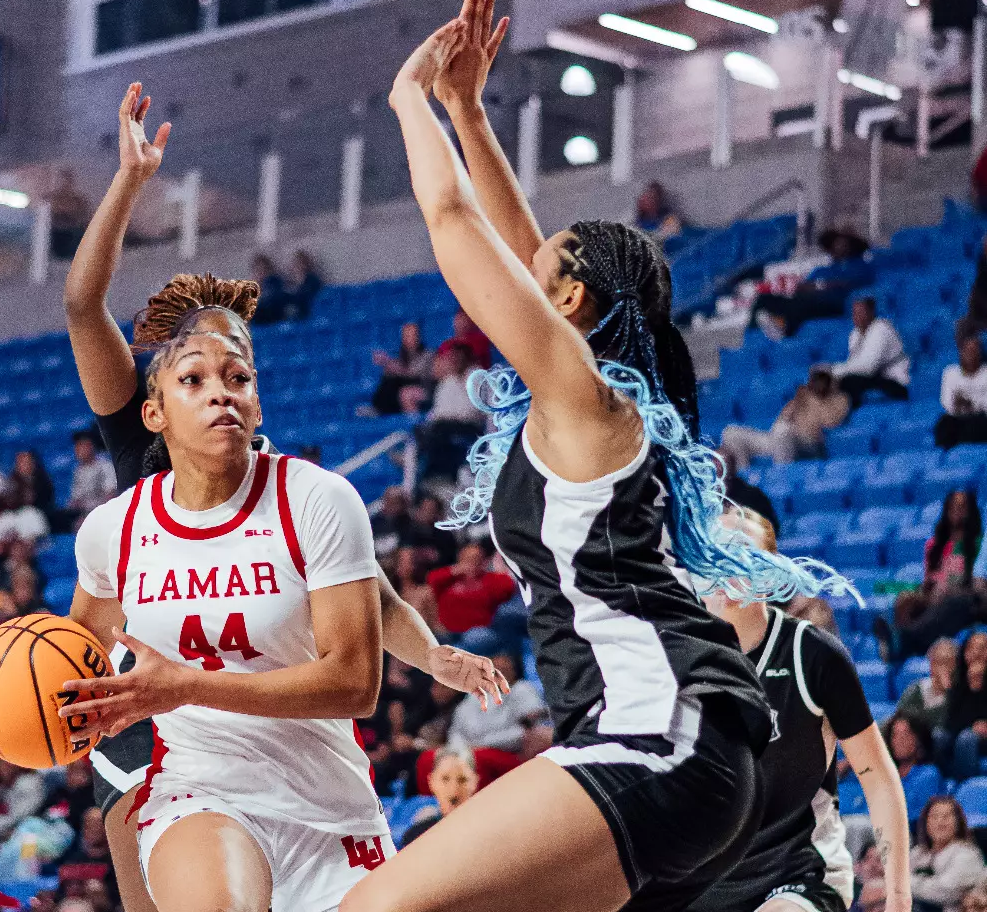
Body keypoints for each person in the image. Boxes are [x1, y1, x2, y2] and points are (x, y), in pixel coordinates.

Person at [343, 7, 854, 912]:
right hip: (663, 747)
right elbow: (512, 239)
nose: (521, 269)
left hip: (659, 733)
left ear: (569, 298)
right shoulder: (592, 401)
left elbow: (456, 218)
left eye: (543, 272)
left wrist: (405, 98)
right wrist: (467, 112)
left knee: (377, 908)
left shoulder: (588, 401)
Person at [47, 81, 507, 912]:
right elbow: (82, 304)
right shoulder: (134, 446)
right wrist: (129, 181)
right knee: (149, 843)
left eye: (239, 368)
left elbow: (366, 599)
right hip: (159, 707)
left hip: (305, 763)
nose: (220, 384)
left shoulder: (305, 497)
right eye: (196, 370)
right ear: (160, 394)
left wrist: (431, 652)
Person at [687, 508, 910, 912]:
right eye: (715, 553)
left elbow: (878, 779)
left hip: (799, 875)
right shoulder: (678, 661)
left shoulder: (813, 653)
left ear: (770, 573)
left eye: (742, 554)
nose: (726, 567)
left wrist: (899, 897)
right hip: (703, 884)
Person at [888, 490, 983, 662]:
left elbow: (978, 583)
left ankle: (906, 640)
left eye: (962, 506)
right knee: (905, 598)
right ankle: (898, 646)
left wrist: (950, 588)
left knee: (950, 600)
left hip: (964, 599)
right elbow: (929, 580)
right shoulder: (935, 545)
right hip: (935, 595)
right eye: (953, 506)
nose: (957, 510)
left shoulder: (978, 544)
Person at [753, 229, 875, 339]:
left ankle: (785, 331)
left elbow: (851, 283)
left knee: (801, 303)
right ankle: (753, 334)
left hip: (834, 303)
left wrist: (822, 286)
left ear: (852, 247)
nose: (838, 247)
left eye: (843, 244)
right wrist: (807, 287)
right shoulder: (823, 270)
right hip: (811, 297)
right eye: (836, 244)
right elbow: (806, 285)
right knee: (765, 298)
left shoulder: (859, 266)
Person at [720, 366, 849, 466]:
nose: (819, 382)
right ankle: (746, 479)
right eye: (815, 378)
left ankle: (781, 480)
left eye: (823, 379)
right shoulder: (801, 397)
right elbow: (781, 421)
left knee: (783, 431)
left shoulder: (839, 399)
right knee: (731, 433)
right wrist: (797, 404)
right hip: (782, 439)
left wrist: (815, 399)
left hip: (810, 445)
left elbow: (831, 422)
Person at [447, 649, 547, 756]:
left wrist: (481, 746)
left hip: (505, 753)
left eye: (503, 670)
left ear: (513, 671)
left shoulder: (522, 689)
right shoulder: (474, 695)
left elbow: (525, 733)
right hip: (469, 751)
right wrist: (458, 750)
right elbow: (456, 730)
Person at [419, 343, 486, 481]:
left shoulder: (477, 377)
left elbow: (472, 411)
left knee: (441, 431)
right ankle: (432, 472)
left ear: (466, 358)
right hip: (447, 426)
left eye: (457, 358)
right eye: (451, 358)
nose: (453, 362)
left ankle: (435, 473)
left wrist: (448, 417)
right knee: (424, 431)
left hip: (471, 427)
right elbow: (438, 410)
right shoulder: (448, 381)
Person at [909, 797, 986, 912]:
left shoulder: (968, 854)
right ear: (925, 823)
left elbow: (945, 892)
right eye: (934, 817)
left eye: (946, 817)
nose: (940, 822)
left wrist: (903, 884)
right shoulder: (918, 853)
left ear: (958, 822)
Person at [832, 298, 911, 408]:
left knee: (849, 381)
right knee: (831, 382)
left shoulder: (881, 328)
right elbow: (853, 363)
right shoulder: (855, 334)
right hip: (873, 379)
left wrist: (834, 370)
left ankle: (850, 414)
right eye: (854, 312)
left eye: (860, 312)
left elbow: (868, 367)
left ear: (871, 312)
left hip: (894, 382)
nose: (856, 316)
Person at [426, 541, 515, 636]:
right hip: (446, 632)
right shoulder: (449, 579)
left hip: (477, 634)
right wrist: (454, 571)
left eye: (476, 559)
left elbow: (508, 586)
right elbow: (431, 579)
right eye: (467, 559)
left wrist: (499, 568)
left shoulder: (488, 579)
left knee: (480, 636)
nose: (471, 563)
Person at [398, 745, 479, 848]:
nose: (454, 789)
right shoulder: (416, 836)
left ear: (475, 781)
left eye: (462, 780)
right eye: (445, 779)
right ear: (432, 781)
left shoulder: (490, 832)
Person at [939, 631, 987, 780]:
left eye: (982, 648)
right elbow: (950, 721)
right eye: (972, 648)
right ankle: (942, 784)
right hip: (964, 730)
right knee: (938, 736)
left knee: (966, 738)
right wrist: (973, 687)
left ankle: (965, 786)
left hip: (977, 737)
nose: (976, 653)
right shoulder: (959, 680)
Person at [897, 638, 959, 733]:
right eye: (938, 661)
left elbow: (949, 722)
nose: (943, 667)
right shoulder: (916, 689)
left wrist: (948, 690)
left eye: (948, 662)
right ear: (931, 665)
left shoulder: (961, 692)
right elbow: (899, 718)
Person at [936, 335, 987, 450]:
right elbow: (946, 402)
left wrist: (970, 403)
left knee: (976, 424)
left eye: (974, 350)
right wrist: (958, 404)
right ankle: (944, 460)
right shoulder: (950, 373)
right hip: (959, 417)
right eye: (966, 350)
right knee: (944, 424)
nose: (970, 355)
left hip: (981, 418)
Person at [372, 323, 434, 416]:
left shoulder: (428, 354)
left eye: (413, 335)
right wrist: (388, 367)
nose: (411, 338)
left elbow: (413, 374)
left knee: (405, 392)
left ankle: (413, 424)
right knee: (389, 380)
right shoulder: (401, 356)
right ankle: (378, 410)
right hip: (403, 386)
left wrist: (388, 363)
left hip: (424, 388)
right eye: (407, 335)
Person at [0, 480, 49, 558]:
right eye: (9, 494)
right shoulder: (0, 518)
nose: (11, 497)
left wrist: (19, 544)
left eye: (14, 493)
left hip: (33, 560)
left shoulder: (33, 513)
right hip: (6, 562)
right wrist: (4, 546)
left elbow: (42, 542)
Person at [65, 432, 116, 520]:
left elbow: (110, 495)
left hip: (103, 512)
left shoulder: (105, 466)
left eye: (81, 446)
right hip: (85, 513)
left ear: (91, 446)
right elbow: (76, 499)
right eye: (76, 446)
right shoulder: (78, 471)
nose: (77, 450)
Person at [48, 168, 93, 260]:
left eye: (67, 180)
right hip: (54, 235)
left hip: (72, 235)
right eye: (61, 180)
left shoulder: (79, 201)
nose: (64, 184)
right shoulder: (50, 199)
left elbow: (85, 218)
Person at [249, 255, 289, 325]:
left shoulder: (274, 286)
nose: (260, 274)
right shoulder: (254, 290)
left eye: (262, 270)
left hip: (272, 326)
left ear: (269, 271)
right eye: (257, 270)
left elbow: (268, 307)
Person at [285, 251, 322, 321]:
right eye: (296, 264)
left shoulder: (312, 280)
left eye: (300, 264)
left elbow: (307, 297)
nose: (298, 267)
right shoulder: (292, 281)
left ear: (306, 265)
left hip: (310, 313)